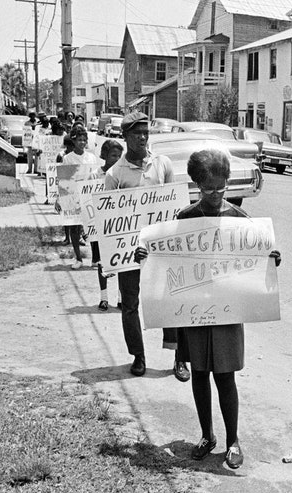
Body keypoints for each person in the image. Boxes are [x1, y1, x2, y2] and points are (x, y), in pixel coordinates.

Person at [150, 148, 280, 469]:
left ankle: (233, 439)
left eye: (220, 189)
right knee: (199, 374)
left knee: (225, 377)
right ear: (195, 185)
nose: (214, 195)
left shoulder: (239, 220)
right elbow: (169, 268)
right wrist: (149, 255)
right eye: (207, 189)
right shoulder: (185, 219)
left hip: (226, 312)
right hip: (193, 314)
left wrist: (271, 257)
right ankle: (207, 435)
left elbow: (262, 254)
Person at [104, 111, 190, 381]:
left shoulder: (162, 164)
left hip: (160, 248)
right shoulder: (115, 174)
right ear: (125, 136)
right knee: (130, 304)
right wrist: (111, 254)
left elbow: (172, 206)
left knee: (172, 298)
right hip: (129, 252)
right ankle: (138, 355)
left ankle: (179, 358)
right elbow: (110, 220)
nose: (142, 138)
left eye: (145, 133)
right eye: (136, 134)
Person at [58, 126, 99, 270]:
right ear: (73, 141)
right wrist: (60, 198)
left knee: (93, 227)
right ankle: (78, 258)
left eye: (84, 140)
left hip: (89, 196)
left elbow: (95, 177)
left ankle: (95, 258)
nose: (82, 143)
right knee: (74, 227)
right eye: (79, 140)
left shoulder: (91, 157)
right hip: (74, 196)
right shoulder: (68, 159)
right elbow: (64, 180)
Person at [91, 139, 123, 310]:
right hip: (101, 224)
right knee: (102, 263)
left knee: (122, 261)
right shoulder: (95, 174)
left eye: (119, 156)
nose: (116, 159)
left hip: (119, 224)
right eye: (113, 155)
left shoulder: (122, 173)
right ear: (104, 155)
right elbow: (87, 200)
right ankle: (104, 297)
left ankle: (120, 297)